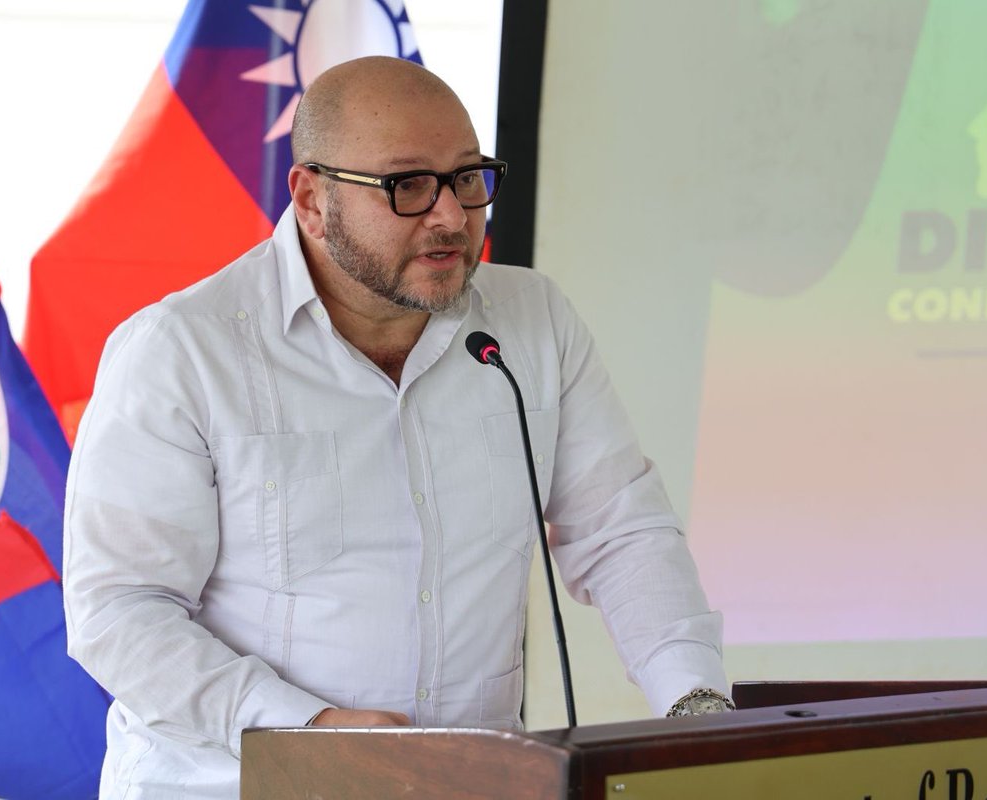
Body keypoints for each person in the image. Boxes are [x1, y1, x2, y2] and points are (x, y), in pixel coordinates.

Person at [63, 56, 729, 798]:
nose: (452, 217)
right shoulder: (183, 350)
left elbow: (621, 533)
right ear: (312, 200)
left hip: (470, 785)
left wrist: (695, 709)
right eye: (407, 186)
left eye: (468, 178)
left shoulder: (532, 322)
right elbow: (119, 612)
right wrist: (306, 730)